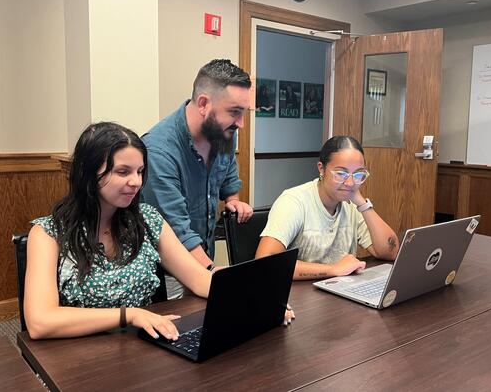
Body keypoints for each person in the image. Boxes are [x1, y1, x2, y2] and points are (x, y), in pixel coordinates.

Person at [24, 122, 213, 340]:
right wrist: (128, 315)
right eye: (123, 172)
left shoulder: (147, 219)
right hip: (76, 355)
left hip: (143, 349)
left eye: (140, 172)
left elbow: (199, 279)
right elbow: (40, 322)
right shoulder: (48, 233)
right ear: (88, 174)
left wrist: (247, 294)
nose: (136, 182)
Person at [141, 59, 253, 276]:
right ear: (203, 104)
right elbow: (176, 230)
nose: (241, 123)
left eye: (244, 113)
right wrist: (214, 272)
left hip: (203, 257)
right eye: (234, 112)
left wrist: (233, 200)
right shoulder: (158, 151)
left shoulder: (223, 132)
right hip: (166, 272)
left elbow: (228, 175)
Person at [255, 135, 399, 280]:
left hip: (340, 289)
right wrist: (333, 270)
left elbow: (390, 252)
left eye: (358, 174)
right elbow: (266, 262)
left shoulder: (353, 204)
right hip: (299, 295)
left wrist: (363, 204)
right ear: (322, 169)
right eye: (341, 173)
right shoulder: (294, 201)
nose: (349, 183)